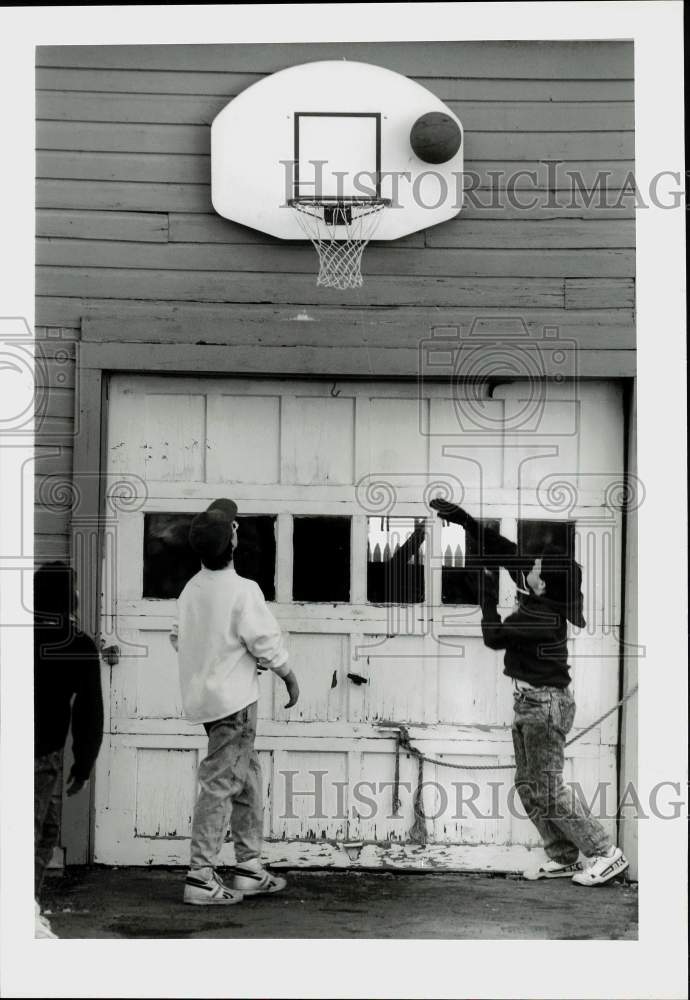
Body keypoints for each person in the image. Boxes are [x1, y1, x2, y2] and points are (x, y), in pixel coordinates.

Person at [429, 498, 629, 886]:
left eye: (535, 567)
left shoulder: (541, 615)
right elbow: (505, 551)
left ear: (544, 582)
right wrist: (466, 522)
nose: (528, 567)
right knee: (528, 784)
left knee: (549, 788)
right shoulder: (543, 589)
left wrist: (486, 593)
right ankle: (564, 855)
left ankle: (607, 853)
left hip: (545, 705)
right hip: (529, 702)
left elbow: (493, 637)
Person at [171, 499, 299, 905]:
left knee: (246, 778)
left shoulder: (191, 589)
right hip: (235, 705)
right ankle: (200, 877)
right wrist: (288, 676)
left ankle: (248, 867)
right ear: (233, 542)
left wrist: (222, 657)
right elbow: (264, 641)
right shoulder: (244, 591)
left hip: (207, 702)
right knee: (221, 784)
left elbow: (181, 637)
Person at [34, 562, 104, 937]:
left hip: (34, 750)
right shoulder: (76, 644)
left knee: (40, 831)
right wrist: (85, 761)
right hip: (43, 753)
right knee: (37, 834)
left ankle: (26, 906)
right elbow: (89, 709)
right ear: (70, 597)